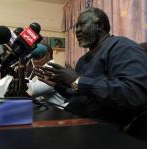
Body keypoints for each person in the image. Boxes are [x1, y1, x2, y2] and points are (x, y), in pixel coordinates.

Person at [35, 7, 147, 139]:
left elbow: (133, 93)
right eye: (76, 27)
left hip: (105, 130)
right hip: (76, 119)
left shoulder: (123, 47)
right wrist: (59, 85)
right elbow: (80, 95)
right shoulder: (84, 59)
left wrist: (78, 81)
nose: (77, 30)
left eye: (82, 25)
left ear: (100, 25)